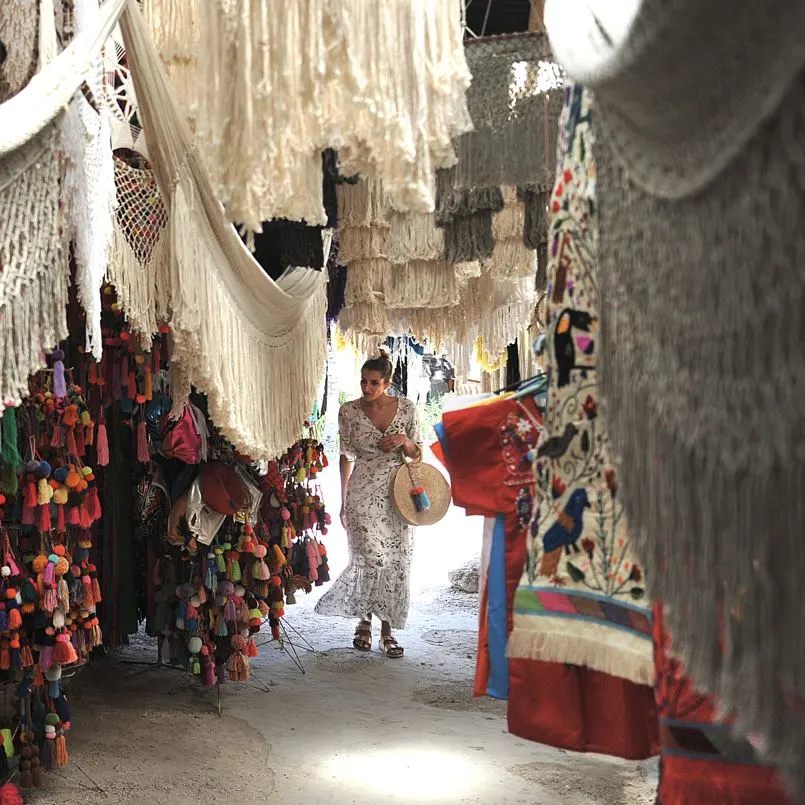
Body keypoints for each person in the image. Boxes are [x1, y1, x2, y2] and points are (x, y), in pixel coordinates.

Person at [315, 350, 423, 658]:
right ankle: (363, 621)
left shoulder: (407, 409)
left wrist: (405, 441)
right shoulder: (348, 412)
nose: (366, 388)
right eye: (363, 381)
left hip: (397, 494)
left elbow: (418, 454)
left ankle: (387, 631)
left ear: (387, 383)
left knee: (395, 561)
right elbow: (345, 456)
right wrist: (343, 500)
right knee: (369, 557)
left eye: (374, 383)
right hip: (362, 492)